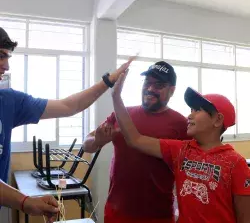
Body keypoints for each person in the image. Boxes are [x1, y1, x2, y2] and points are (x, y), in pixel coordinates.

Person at [0, 27, 133, 218]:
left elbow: (69, 106)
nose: (6, 66)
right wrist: (25, 201)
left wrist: (108, 81)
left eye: (7, 57)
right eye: (0, 56)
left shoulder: (8, 101)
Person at [111, 71, 250, 223]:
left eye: (197, 110)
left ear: (217, 120)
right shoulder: (180, 150)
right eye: (191, 110)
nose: (189, 116)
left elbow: (245, 217)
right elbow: (135, 139)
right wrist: (116, 97)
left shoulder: (235, 164)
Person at [83, 61, 189, 223]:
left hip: (158, 216)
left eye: (159, 85)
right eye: (148, 83)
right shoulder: (123, 114)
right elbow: (87, 144)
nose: (150, 89)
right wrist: (97, 141)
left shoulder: (181, 124)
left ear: (172, 91)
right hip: (116, 212)